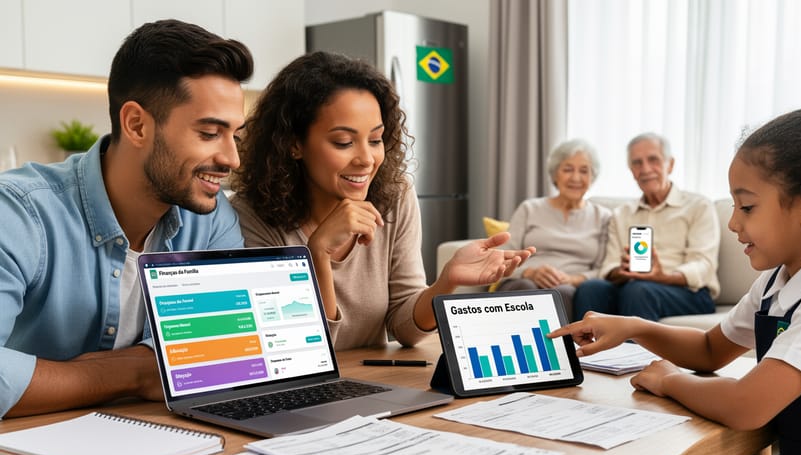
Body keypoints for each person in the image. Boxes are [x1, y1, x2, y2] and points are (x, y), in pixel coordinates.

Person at [549, 104, 801, 455]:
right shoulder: (778, 282)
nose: (733, 223)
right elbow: (710, 350)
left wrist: (668, 381)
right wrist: (634, 327)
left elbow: (746, 406)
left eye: (746, 207)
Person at [0, 20, 253, 419]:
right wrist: (133, 373)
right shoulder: (18, 214)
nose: (232, 159)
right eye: (208, 133)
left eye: (234, 135)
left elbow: (224, 349)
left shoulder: (212, 218)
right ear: (136, 124)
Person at [230, 51, 534, 350]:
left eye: (375, 140)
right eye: (344, 142)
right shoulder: (250, 215)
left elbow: (406, 329)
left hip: (376, 384)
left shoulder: (395, 197)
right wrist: (317, 254)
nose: (366, 159)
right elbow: (301, 351)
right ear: (294, 144)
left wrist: (446, 283)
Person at [572, 133, 719, 321]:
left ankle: (636, 352)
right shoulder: (622, 214)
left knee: (638, 290)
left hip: (688, 293)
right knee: (590, 288)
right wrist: (622, 271)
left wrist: (663, 276)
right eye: (637, 163)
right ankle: (582, 350)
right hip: (633, 287)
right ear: (632, 171)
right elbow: (609, 267)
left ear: (670, 164)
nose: (646, 169)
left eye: (653, 160)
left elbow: (703, 265)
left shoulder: (698, 206)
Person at [496, 139, 612, 320]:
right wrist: (530, 272)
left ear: (592, 177)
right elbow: (504, 257)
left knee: (562, 293)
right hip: (524, 280)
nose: (575, 178)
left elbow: (604, 269)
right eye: (567, 169)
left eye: (584, 171)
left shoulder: (603, 216)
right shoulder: (530, 208)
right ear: (555, 174)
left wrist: (573, 279)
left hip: (570, 286)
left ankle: (559, 348)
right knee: (526, 288)